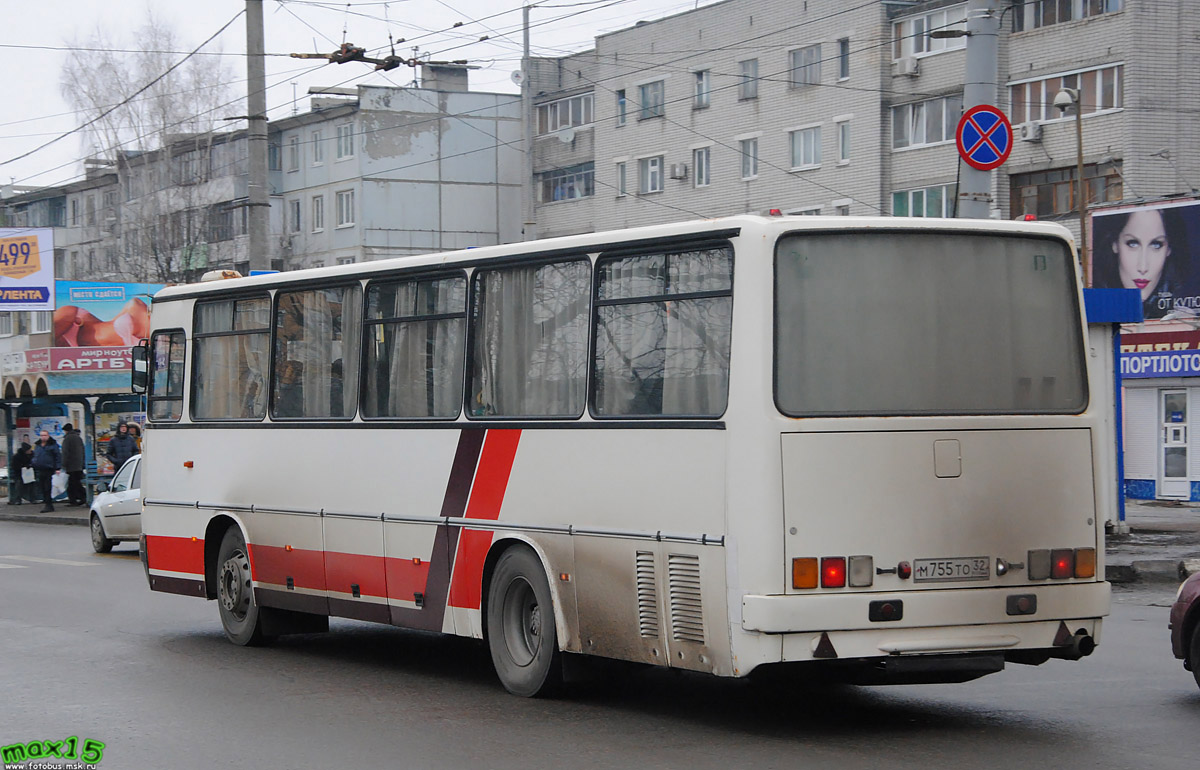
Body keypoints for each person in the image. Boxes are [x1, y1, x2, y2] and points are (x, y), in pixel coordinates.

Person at [1093, 207, 1191, 319]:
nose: (1143, 267)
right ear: (1115, 244)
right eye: (1132, 244)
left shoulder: (1184, 319)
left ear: (1169, 249)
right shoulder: (1093, 314)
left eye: (1156, 245)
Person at [31, 430, 62, 512]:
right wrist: (33, 462)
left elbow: (57, 456)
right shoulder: (38, 445)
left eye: (45, 435)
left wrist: (57, 468)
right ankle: (47, 502)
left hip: (49, 469)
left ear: (48, 436)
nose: (43, 437)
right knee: (42, 487)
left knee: (47, 487)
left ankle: (49, 504)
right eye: (41, 435)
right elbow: (35, 455)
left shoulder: (53, 445)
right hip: (39, 469)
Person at [61, 423, 86, 507]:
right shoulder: (78, 438)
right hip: (79, 465)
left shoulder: (67, 439)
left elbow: (65, 453)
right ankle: (82, 498)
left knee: (72, 484)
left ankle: (75, 500)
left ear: (66, 431)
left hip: (71, 466)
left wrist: (63, 464)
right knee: (77, 483)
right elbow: (83, 451)